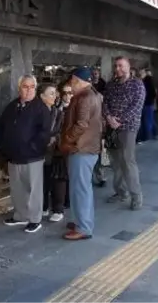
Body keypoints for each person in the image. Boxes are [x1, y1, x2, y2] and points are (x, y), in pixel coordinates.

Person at [0, 75, 51, 233]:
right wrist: (5, 147)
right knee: (17, 188)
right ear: (19, 87)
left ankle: (35, 219)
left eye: (31, 87)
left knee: (33, 189)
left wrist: (32, 147)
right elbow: (1, 125)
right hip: (14, 156)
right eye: (25, 87)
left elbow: (44, 132)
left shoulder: (40, 107)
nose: (28, 90)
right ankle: (20, 215)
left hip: (32, 156)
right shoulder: (12, 106)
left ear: (35, 88)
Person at [59, 67, 103, 241]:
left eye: (72, 81)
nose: (70, 84)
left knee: (80, 189)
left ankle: (84, 227)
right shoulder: (92, 94)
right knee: (81, 188)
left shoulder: (84, 97)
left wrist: (67, 140)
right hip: (86, 148)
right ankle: (80, 221)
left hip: (81, 149)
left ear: (77, 80)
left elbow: (81, 124)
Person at [103, 56, 145, 210]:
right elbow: (105, 102)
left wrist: (119, 121)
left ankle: (136, 196)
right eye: (115, 66)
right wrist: (108, 117)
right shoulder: (110, 85)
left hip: (128, 128)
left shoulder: (137, 85)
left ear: (129, 67)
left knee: (128, 161)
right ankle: (121, 192)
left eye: (121, 65)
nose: (117, 69)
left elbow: (136, 107)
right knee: (115, 162)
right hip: (111, 129)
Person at [42, 83, 69, 222]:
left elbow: (63, 131)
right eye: (51, 93)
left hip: (57, 151)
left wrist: (55, 138)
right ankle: (44, 207)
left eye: (55, 93)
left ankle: (58, 208)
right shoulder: (39, 111)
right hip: (41, 152)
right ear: (42, 96)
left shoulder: (58, 112)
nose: (55, 96)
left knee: (58, 179)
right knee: (43, 180)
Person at [137, 68, 156, 143]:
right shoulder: (143, 81)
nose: (140, 75)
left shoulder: (147, 82)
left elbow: (153, 94)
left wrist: (146, 99)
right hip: (145, 104)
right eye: (139, 73)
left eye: (141, 73)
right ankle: (146, 137)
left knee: (147, 122)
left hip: (147, 104)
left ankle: (147, 137)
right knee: (146, 122)